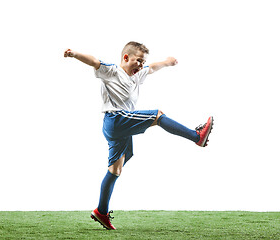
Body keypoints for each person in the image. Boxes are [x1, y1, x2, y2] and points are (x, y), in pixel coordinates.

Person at [63, 41, 213, 230]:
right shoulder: (112, 71)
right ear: (126, 58)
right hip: (116, 119)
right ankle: (196, 136)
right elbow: (94, 61)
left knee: (115, 170)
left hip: (119, 126)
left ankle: (101, 211)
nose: (141, 65)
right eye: (138, 61)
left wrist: (167, 62)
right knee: (157, 115)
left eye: (143, 62)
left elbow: (152, 68)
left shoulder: (138, 74)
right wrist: (74, 54)